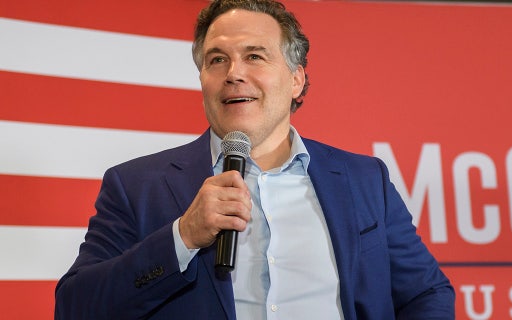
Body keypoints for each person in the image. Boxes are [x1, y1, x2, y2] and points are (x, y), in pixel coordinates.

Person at [54, 0, 455, 319]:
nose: (233, 73)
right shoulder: (136, 186)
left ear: (296, 78)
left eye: (255, 56)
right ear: (202, 80)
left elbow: (427, 293)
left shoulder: (365, 179)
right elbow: (75, 308)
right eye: (216, 60)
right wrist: (183, 236)